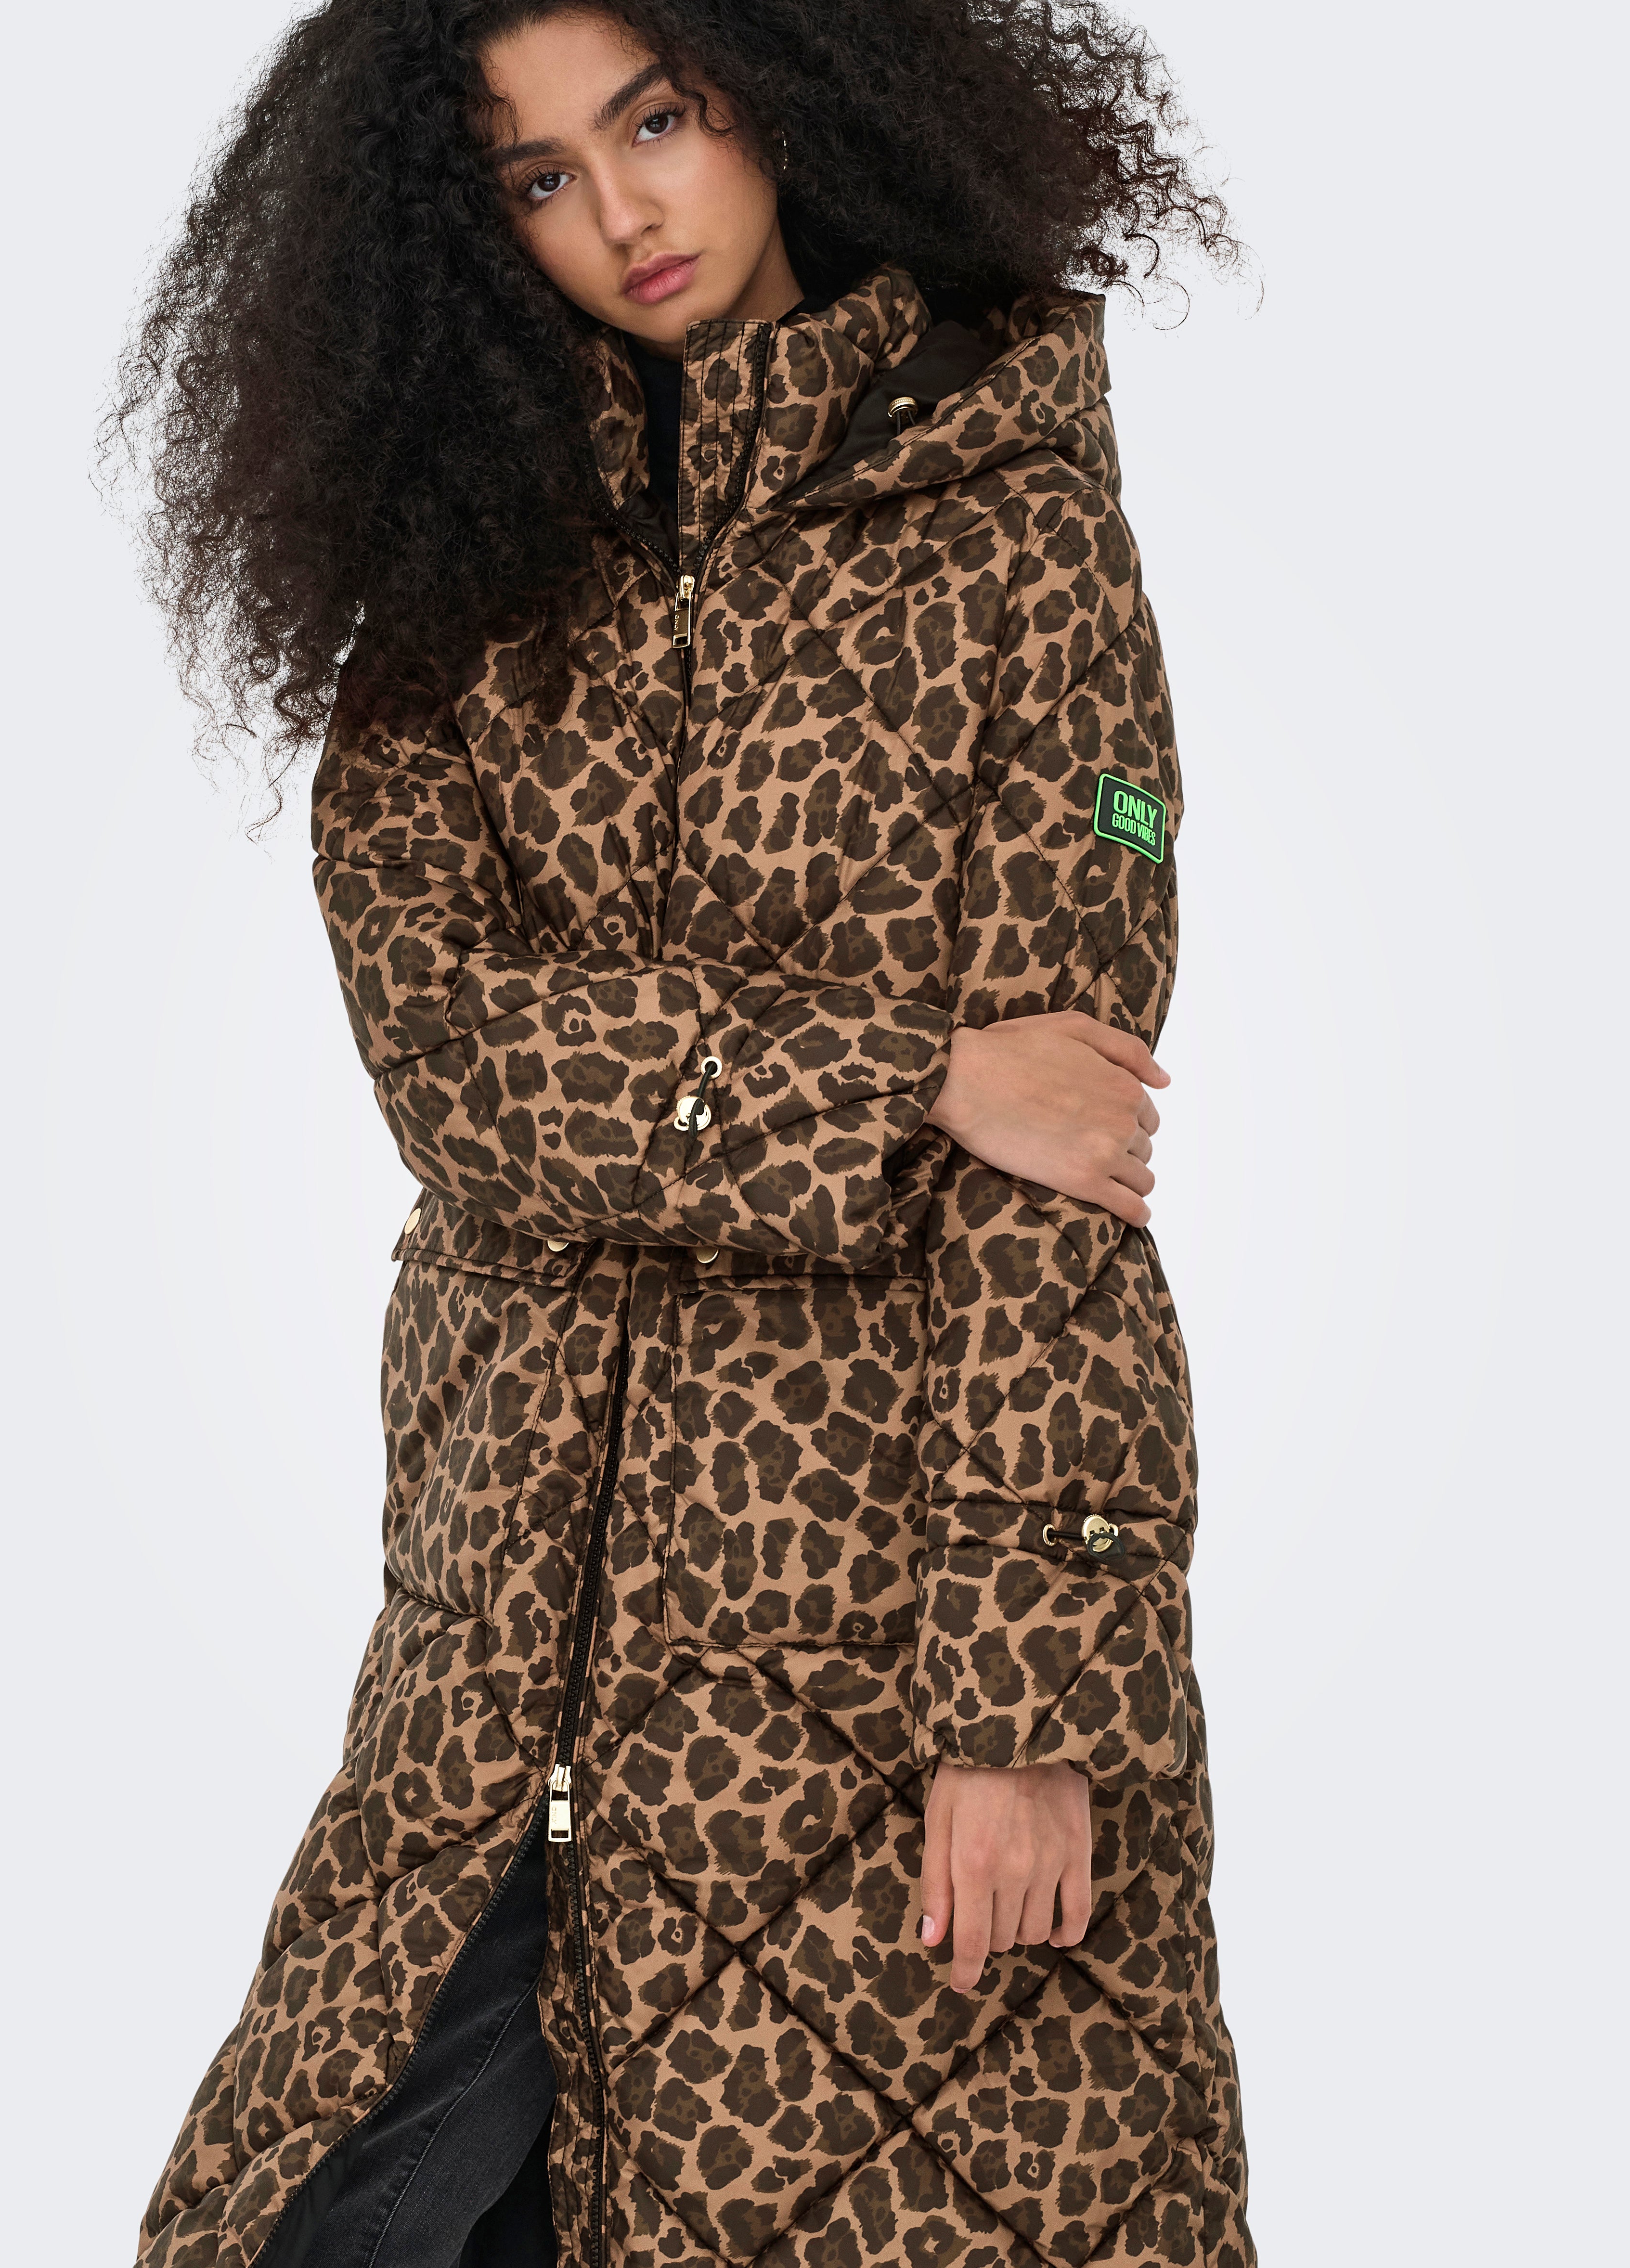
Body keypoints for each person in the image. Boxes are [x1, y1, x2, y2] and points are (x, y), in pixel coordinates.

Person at [116, 4, 1253, 2263]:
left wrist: (1027, 1707)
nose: (619, 209)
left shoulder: (1013, 540)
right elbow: (453, 1057)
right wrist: (905, 1072)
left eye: (655, 117)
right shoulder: (457, 573)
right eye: (536, 173)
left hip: (875, 1650)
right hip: (497, 1639)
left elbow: (1059, 1196)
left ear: (790, 88)